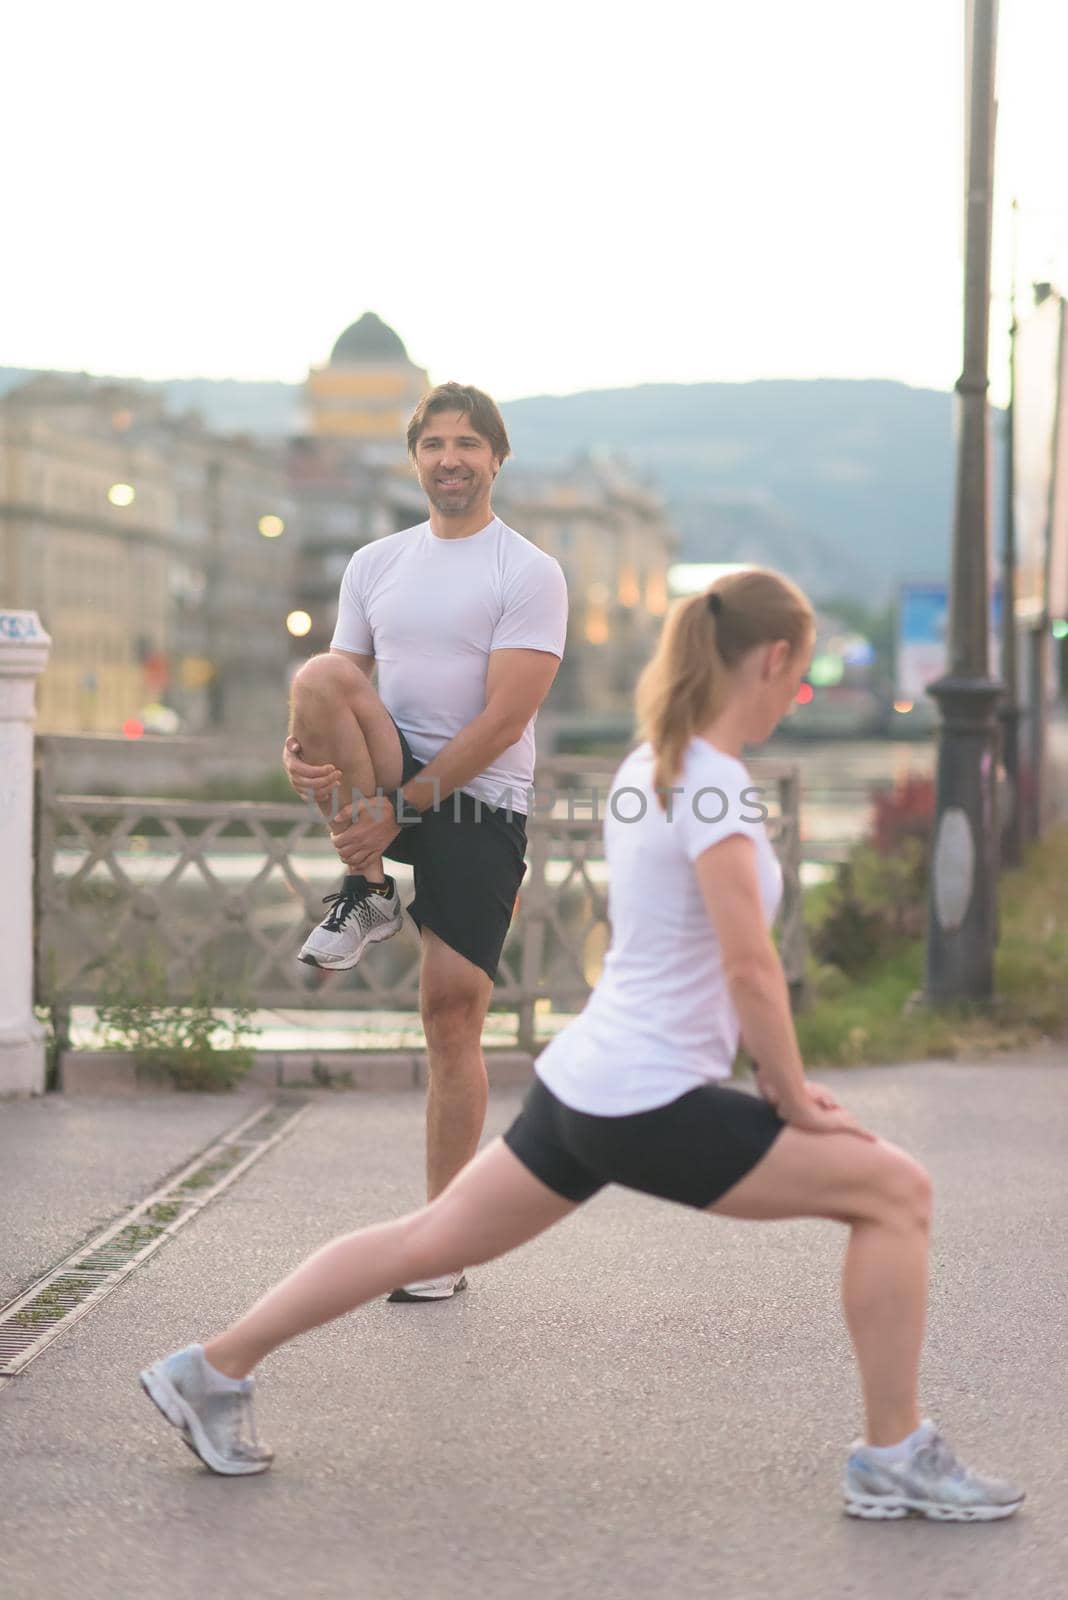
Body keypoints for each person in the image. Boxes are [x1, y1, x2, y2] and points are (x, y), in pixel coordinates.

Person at [141, 568, 1023, 1521]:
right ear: (773, 660)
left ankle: (210, 1368)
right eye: (795, 672)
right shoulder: (718, 788)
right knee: (898, 1194)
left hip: (583, 1087)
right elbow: (751, 966)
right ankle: (894, 1454)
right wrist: (793, 1093)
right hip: (644, 1099)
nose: (791, 692)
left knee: (424, 1239)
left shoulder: (651, 768)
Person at [283, 382, 567, 1300]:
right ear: (415, 457)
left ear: (497, 458)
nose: (451, 458)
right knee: (318, 671)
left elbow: (506, 717)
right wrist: (302, 758)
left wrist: (403, 807)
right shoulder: (375, 563)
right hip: (392, 772)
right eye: (435, 443)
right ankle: (367, 888)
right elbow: (339, 689)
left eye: (469, 444)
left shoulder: (526, 571)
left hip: (480, 797)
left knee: (451, 1013)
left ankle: (442, 1247)